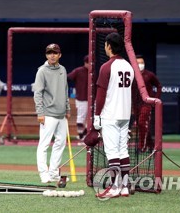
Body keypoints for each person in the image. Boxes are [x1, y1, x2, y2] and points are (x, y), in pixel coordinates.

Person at [93, 32, 134, 198]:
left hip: (110, 114)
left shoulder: (106, 67)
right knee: (123, 151)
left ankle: (114, 187)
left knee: (112, 153)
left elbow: (101, 95)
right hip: (125, 114)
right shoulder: (129, 67)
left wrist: (96, 116)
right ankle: (124, 187)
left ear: (108, 46)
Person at [33, 43, 71, 183]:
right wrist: (40, 113)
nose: (52, 55)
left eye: (55, 53)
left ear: (59, 55)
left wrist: (67, 109)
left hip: (61, 115)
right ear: (46, 55)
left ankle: (54, 172)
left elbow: (65, 90)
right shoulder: (42, 71)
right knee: (44, 144)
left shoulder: (63, 69)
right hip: (48, 114)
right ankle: (44, 174)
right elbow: (38, 94)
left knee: (60, 144)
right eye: (49, 53)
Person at [133, 54, 162, 152]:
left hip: (147, 103)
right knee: (143, 125)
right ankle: (151, 144)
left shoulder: (149, 75)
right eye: (138, 63)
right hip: (135, 103)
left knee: (142, 123)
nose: (141, 65)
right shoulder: (131, 74)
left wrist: (155, 100)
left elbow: (158, 86)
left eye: (142, 63)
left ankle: (142, 147)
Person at [67, 55, 89, 141]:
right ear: (85, 63)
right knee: (81, 117)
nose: (90, 64)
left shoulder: (94, 71)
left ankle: (85, 136)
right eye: (88, 63)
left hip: (92, 99)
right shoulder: (79, 71)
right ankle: (81, 136)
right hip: (81, 98)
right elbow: (68, 77)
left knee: (92, 119)